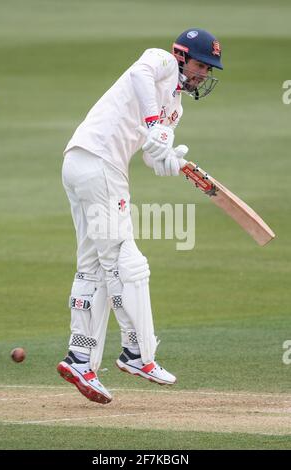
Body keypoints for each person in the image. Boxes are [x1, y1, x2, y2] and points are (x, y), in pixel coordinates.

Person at [57, 28, 223, 404]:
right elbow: (138, 76)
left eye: (209, 69)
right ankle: (137, 354)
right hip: (99, 162)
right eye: (200, 65)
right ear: (181, 57)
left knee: (93, 266)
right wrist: (153, 126)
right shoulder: (160, 62)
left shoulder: (175, 107)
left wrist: (169, 160)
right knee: (126, 263)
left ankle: (80, 357)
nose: (203, 74)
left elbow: (152, 152)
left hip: (82, 164)